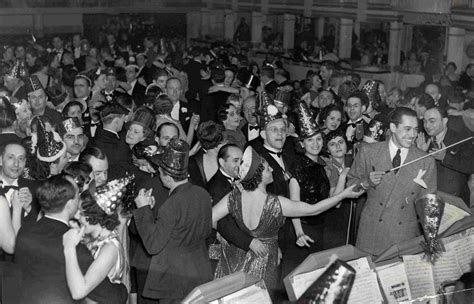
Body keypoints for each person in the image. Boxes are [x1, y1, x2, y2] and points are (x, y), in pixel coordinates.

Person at [212, 145, 362, 294]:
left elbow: (210, 218)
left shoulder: (233, 197)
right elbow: (314, 209)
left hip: (238, 259)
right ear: (259, 176)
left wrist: (237, 239)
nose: (271, 169)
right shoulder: (275, 203)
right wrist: (342, 195)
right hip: (265, 262)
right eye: (267, 169)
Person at [347, 107, 437, 256]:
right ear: (393, 127)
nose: (413, 135)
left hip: (404, 236)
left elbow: (429, 204)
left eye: (415, 129)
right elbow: (350, 186)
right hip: (372, 234)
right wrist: (366, 182)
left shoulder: (426, 161)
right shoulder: (368, 151)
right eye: (407, 129)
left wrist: (432, 237)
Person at [133, 138, 213, 303]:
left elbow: (153, 245)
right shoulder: (202, 193)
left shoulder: (170, 205)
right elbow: (206, 232)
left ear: (167, 177)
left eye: (160, 172)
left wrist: (143, 209)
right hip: (199, 271)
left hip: (174, 280)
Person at [15, 175, 110, 303]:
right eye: (77, 195)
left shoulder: (25, 232)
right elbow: (107, 294)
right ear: (70, 204)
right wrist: (122, 289)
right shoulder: (74, 245)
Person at [62, 177, 133, 304]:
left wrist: (70, 247)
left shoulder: (109, 248)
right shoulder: (95, 239)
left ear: (94, 217)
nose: (77, 216)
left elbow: (82, 289)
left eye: (82, 213)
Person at [417, 106, 473, 205]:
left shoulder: (461, 139)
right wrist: (420, 153)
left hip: (454, 200)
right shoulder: (422, 141)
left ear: (444, 121)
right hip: (430, 198)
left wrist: (445, 157)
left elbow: (470, 166)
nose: (427, 125)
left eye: (432, 121)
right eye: (425, 121)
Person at [188, 120, 225, 188]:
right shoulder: (226, 159)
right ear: (218, 142)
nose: (226, 143)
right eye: (224, 141)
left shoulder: (192, 160)